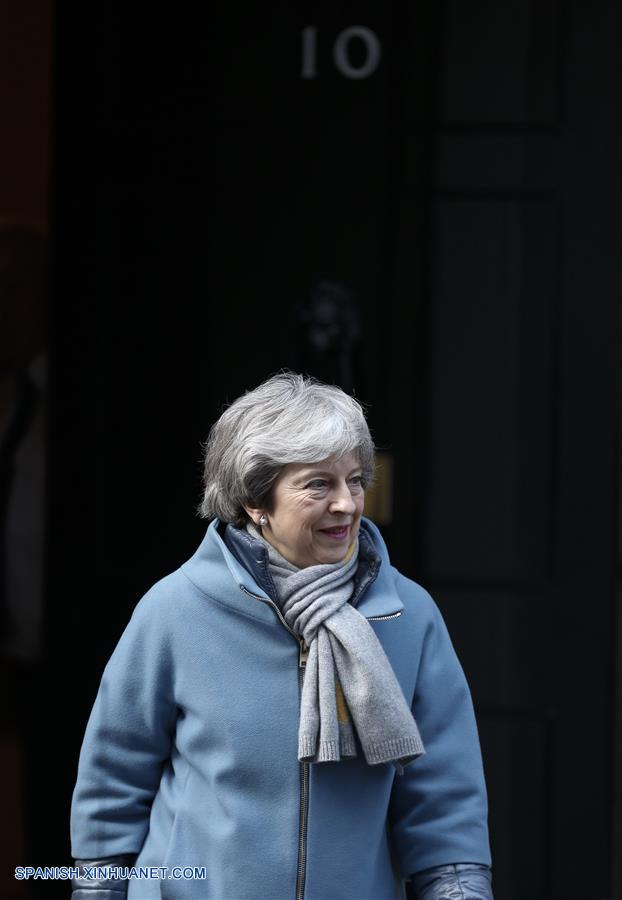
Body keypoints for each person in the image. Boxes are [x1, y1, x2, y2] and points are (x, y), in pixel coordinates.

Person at [70, 372, 493, 900]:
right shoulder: (175, 610)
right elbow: (114, 781)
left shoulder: (407, 615)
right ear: (255, 500)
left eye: (354, 480)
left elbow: (444, 799)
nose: (347, 503)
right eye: (319, 484)